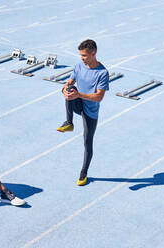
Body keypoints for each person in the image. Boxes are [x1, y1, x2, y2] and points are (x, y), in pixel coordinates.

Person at [56, 39, 109, 186]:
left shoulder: (102, 73)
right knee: (70, 91)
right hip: (78, 103)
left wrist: (79, 95)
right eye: (81, 55)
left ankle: (83, 173)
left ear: (94, 53)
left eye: (85, 55)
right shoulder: (79, 66)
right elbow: (68, 83)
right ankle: (69, 123)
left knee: (87, 141)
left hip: (90, 111)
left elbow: (99, 97)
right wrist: (64, 90)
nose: (82, 58)